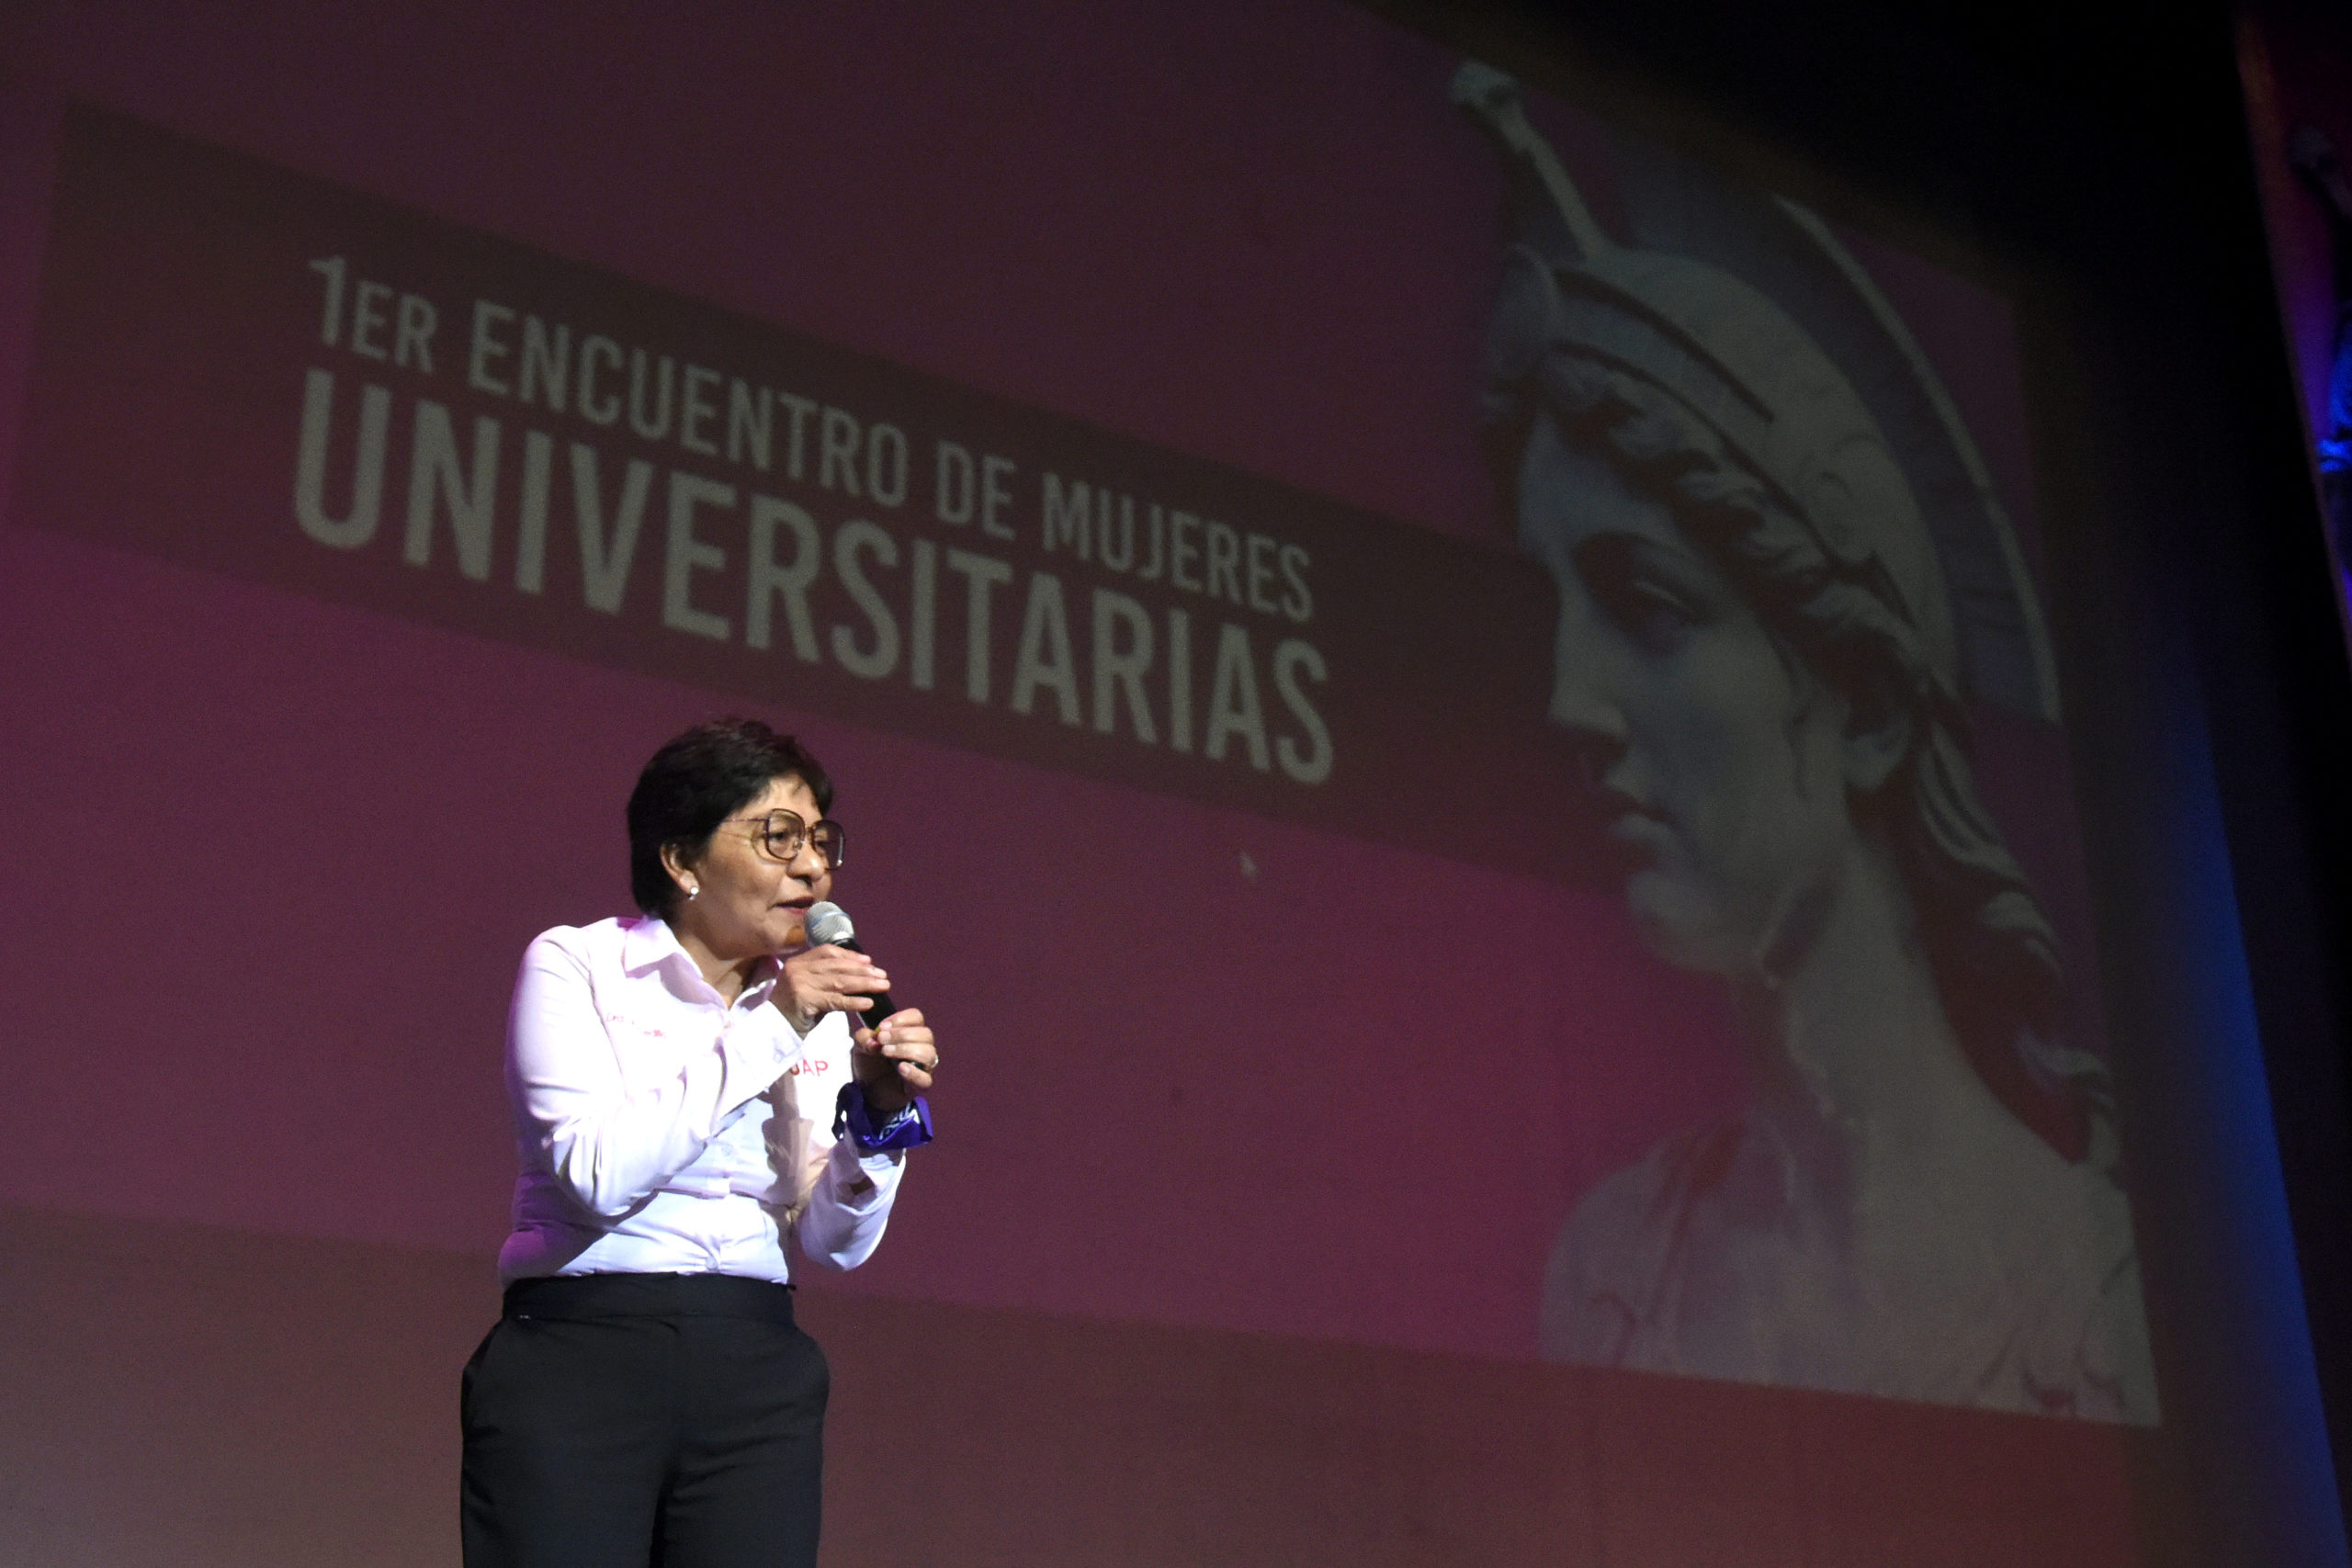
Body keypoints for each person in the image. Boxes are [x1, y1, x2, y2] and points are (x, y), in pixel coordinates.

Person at [1454, 64, 2156, 1422]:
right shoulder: (1611, 1274)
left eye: (1647, 605)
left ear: (1871, 706)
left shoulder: (2106, 1301)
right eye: (1557, 608)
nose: (1567, 701)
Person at [460, 717, 939, 1567]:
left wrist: (876, 1116)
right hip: (581, 1354)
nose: (811, 866)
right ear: (680, 860)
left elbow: (833, 1241)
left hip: (754, 1363)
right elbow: (596, 1176)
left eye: (821, 840)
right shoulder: (579, 965)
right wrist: (778, 1020)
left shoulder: (812, 1010)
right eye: (777, 837)